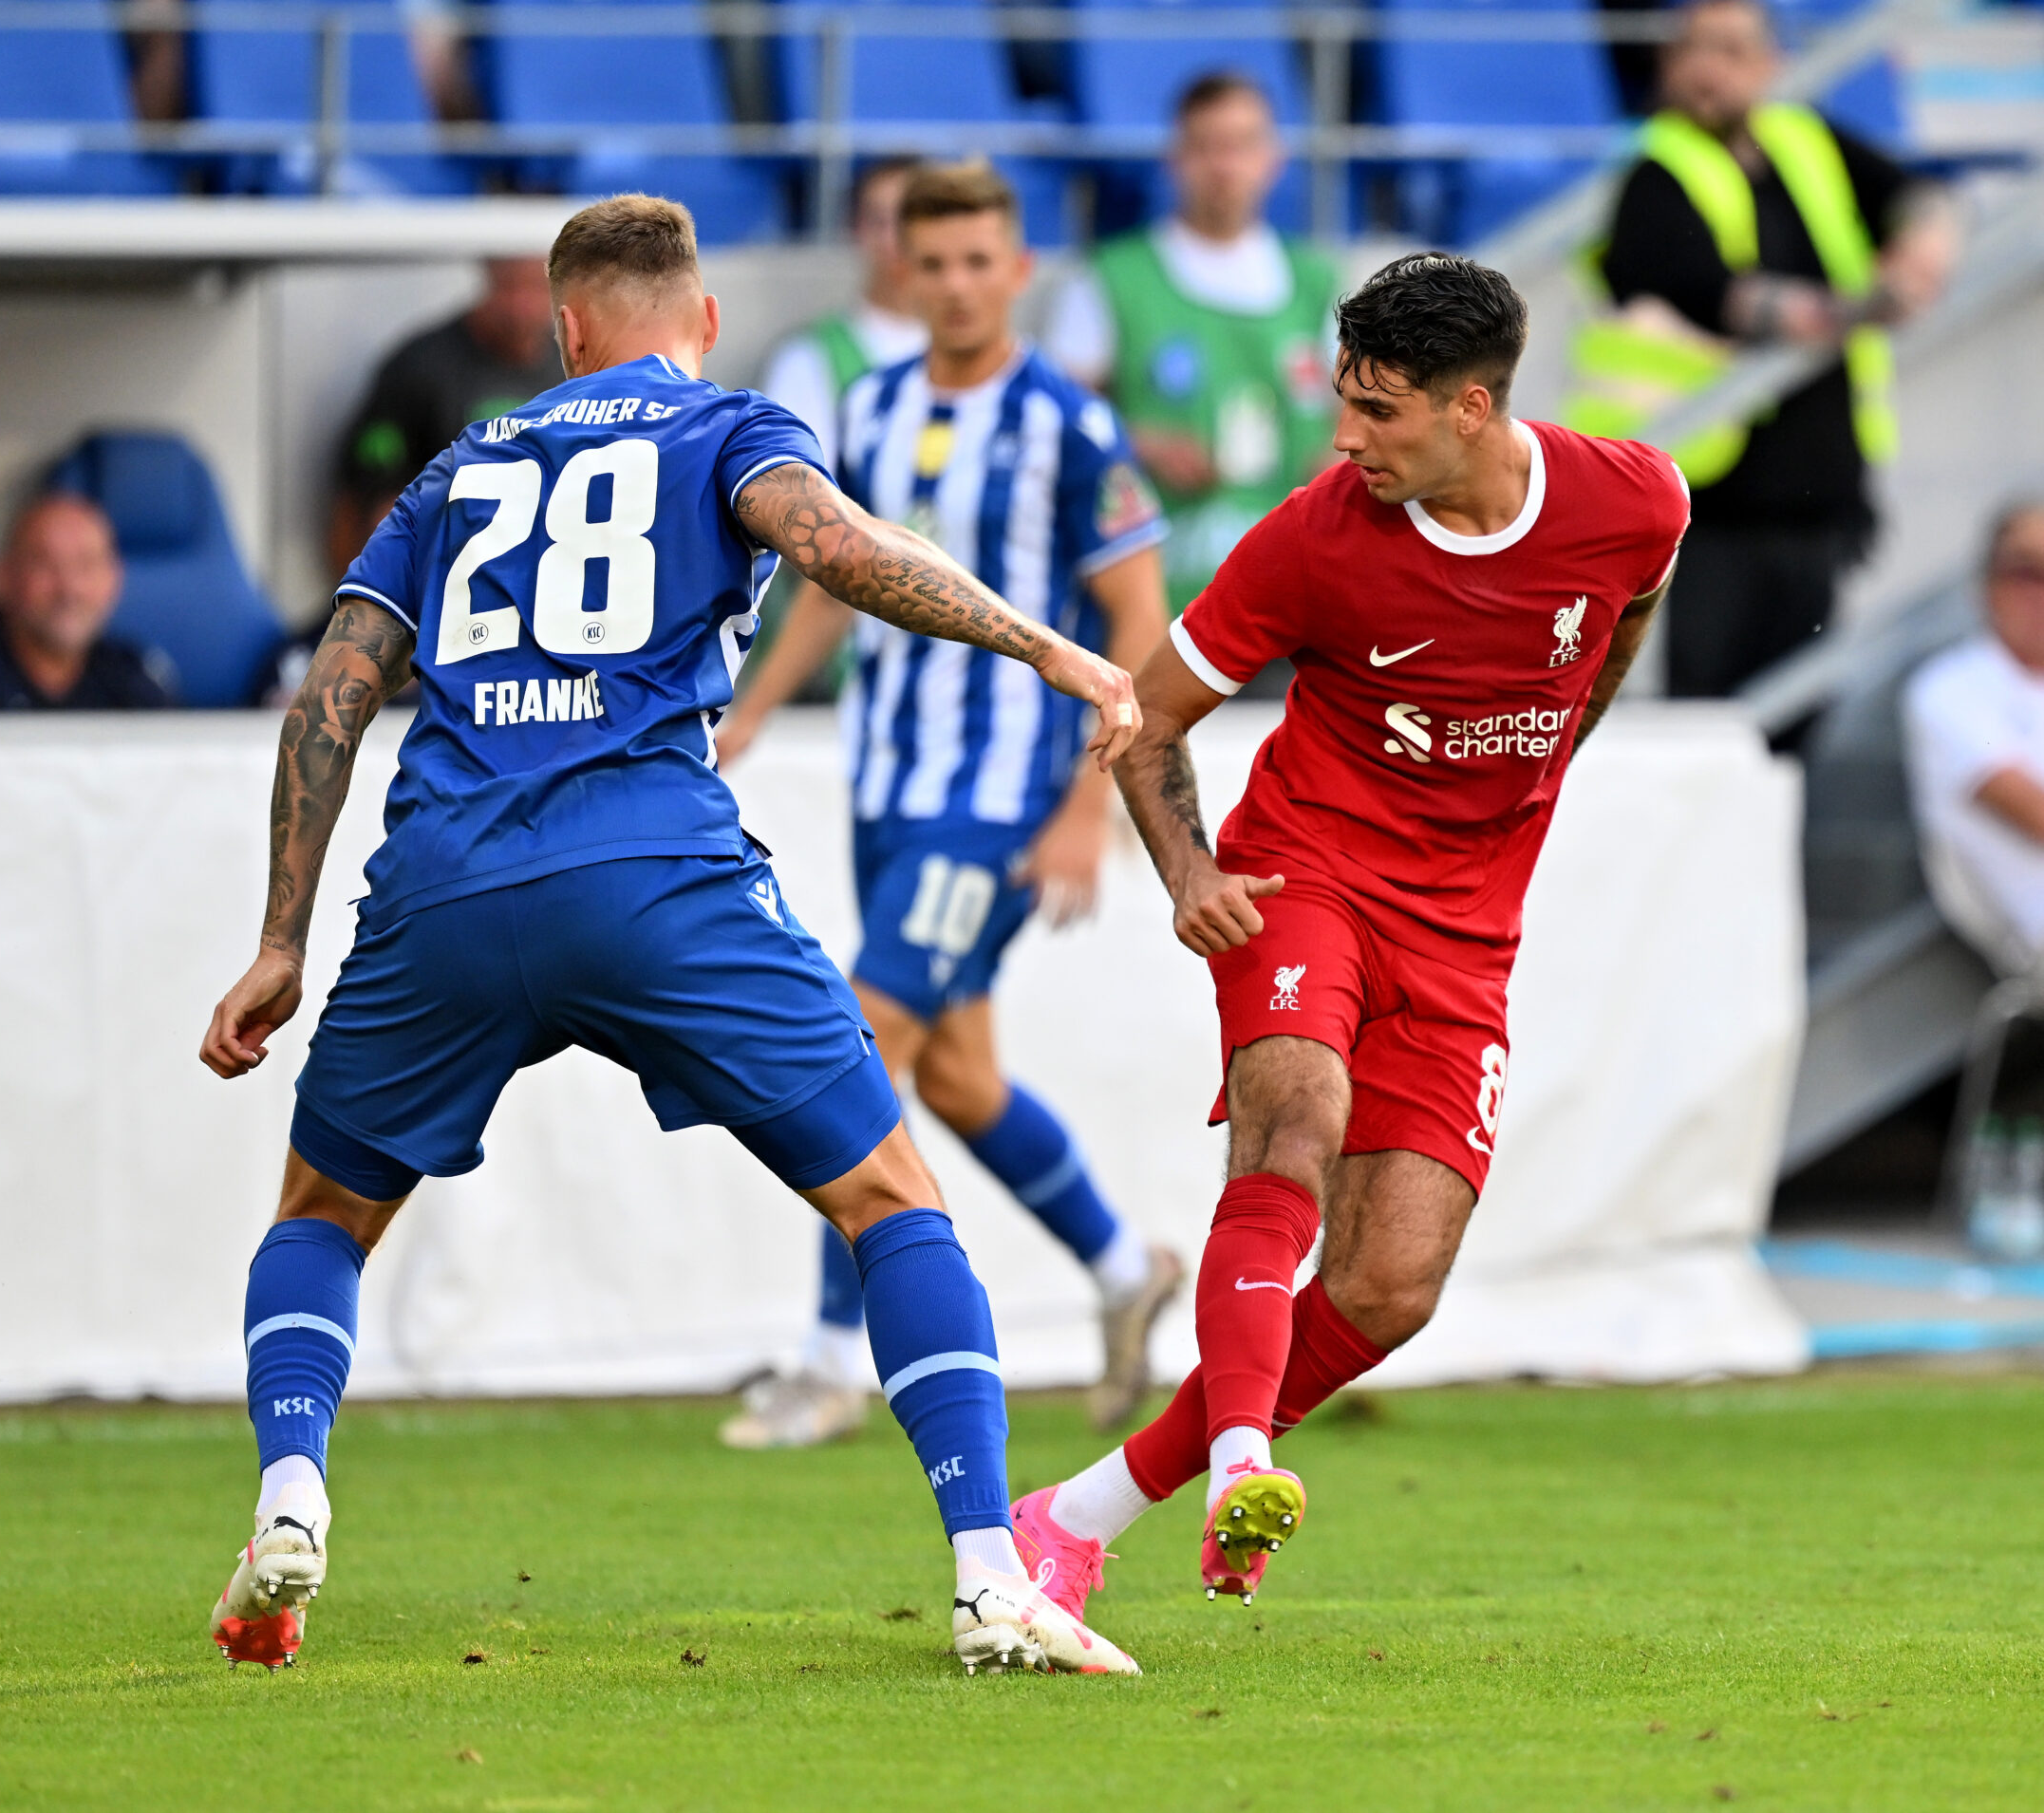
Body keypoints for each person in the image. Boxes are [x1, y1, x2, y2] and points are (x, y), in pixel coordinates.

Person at [195, 193, 1146, 1678]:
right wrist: (1047, 644)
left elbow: (336, 685)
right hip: (656, 873)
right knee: (894, 1199)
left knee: (320, 1216)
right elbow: (837, 548)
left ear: (565, 333)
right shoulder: (726, 425)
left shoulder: (455, 467)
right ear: (697, 321)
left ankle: (289, 1494)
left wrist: (277, 937)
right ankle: (987, 1573)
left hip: (442, 878)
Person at [1005, 253, 1690, 1620]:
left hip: (1466, 925)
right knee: (1296, 1118)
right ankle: (1241, 1458)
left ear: (1474, 410)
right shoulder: (1316, 537)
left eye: (1380, 412)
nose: (1347, 437)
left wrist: (1548, 760)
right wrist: (1190, 872)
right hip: (1302, 869)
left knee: (1390, 1284)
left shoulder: (1635, 501)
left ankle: (1076, 1513)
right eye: (1345, 401)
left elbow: (1615, 628)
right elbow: (1145, 721)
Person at [713, 160, 1184, 1450]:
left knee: (858, 1044)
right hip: (888, 786)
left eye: (986, 260)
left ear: (1019, 270)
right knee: (962, 1077)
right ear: (903, 273)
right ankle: (1121, 1265)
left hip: (999, 796)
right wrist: (754, 707)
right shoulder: (867, 408)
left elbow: (1138, 614)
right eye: (940, 262)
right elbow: (829, 584)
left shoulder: (1070, 426)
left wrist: (1091, 807)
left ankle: (826, 1359)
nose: (963, 283)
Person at [1571, 0, 1955, 698]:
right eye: (1692, 50)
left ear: (1771, 63)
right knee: (1709, 716)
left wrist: (1922, 247)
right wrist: (1862, 305)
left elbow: (1916, 196)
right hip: (1710, 512)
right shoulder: (1654, 172)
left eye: (1733, 50)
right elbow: (1712, 291)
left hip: (1820, 502)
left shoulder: (1804, 139)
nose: (1709, 68)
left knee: (1799, 713)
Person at [1045, 72, 1339, 613]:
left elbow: (1354, 420)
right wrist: (1140, 445)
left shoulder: (1316, 284)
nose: (1225, 166)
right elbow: (1055, 424)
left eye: (1243, 145)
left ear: (1274, 157)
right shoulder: (1111, 278)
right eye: (1206, 147)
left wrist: (1336, 462)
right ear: (1175, 158)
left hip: (1292, 600)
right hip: (1157, 596)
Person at [329, 256, 569, 572]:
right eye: (510, 286)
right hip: (436, 576)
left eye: (537, 289)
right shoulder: (422, 367)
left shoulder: (569, 370)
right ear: (487, 277)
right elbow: (365, 506)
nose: (521, 307)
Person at [1903, 502, 2044, 977]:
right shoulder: (1950, 688)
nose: (2040, 591)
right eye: (2026, 571)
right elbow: (2032, 813)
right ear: (1988, 585)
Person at [0, 494, 174, 711]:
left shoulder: (137, 675)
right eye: (45, 565)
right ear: (3, 577)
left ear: (115, 580)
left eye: (86, 565)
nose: (69, 588)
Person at [756, 158, 929, 473]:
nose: (899, 238)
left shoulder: (981, 353)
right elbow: (796, 488)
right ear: (856, 229)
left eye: (914, 217)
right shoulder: (808, 359)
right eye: (880, 221)